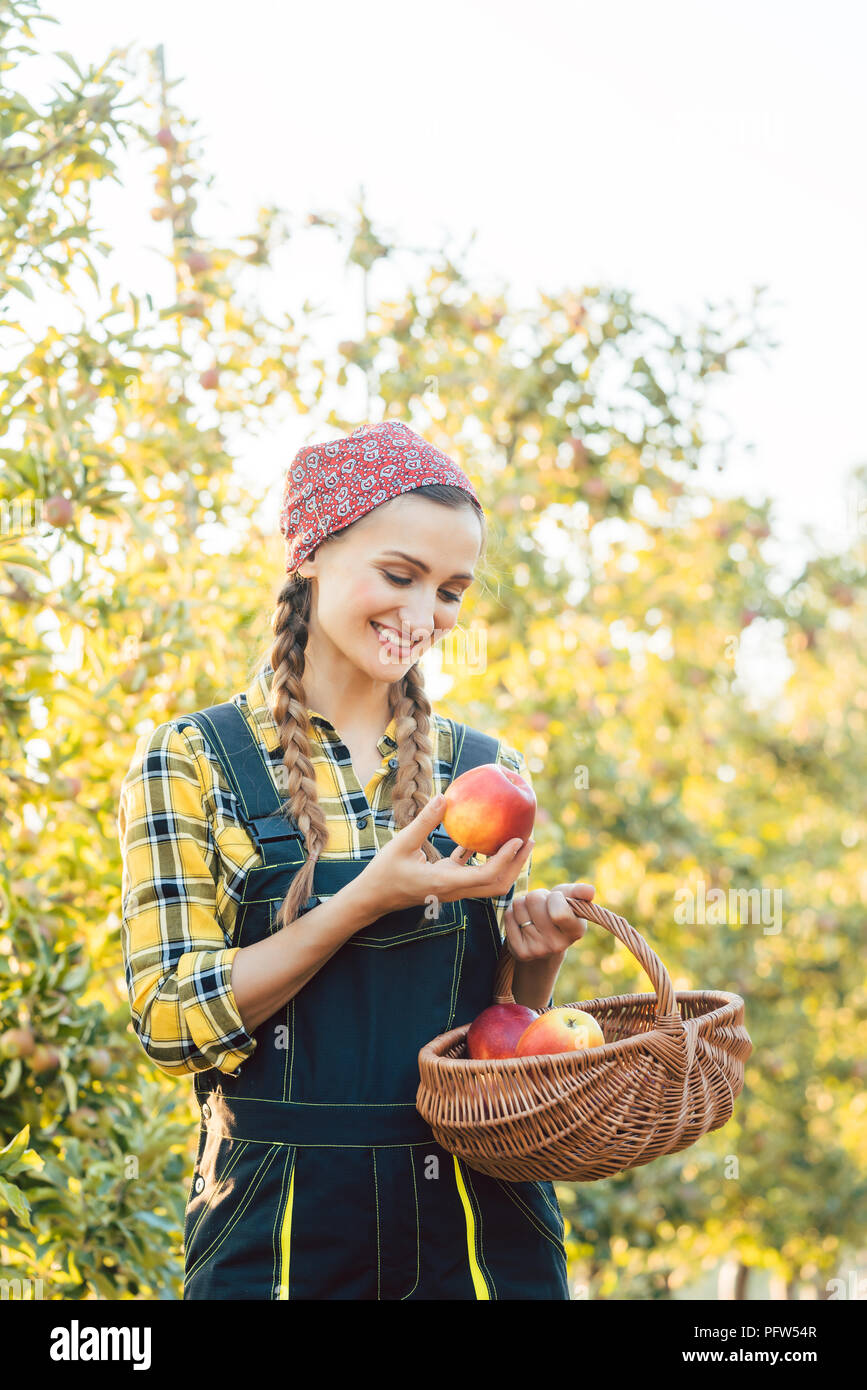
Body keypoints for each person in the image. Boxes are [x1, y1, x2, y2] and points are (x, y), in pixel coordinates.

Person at [118, 419, 594, 1300]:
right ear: (310, 553)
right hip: (280, 1224)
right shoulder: (193, 759)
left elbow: (498, 1042)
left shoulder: (483, 772)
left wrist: (535, 966)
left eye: (451, 591)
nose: (424, 616)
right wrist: (364, 899)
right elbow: (169, 1023)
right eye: (398, 575)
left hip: (478, 1217)